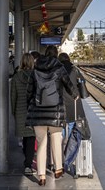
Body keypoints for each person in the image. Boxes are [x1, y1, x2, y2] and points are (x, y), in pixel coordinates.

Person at [26, 45, 78, 186]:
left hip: (38, 112)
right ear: (56, 55)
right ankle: (58, 169)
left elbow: (29, 90)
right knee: (56, 140)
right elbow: (68, 83)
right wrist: (75, 95)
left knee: (41, 143)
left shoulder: (35, 69)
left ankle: (41, 176)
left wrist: (28, 106)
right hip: (55, 111)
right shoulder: (59, 67)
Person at [10, 53, 36, 175]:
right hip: (33, 111)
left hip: (20, 111)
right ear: (32, 62)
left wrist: (14, 112)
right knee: (31, 138)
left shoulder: (16, 77)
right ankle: (28, 164)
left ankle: (27, 160)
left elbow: (13, 97)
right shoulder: (35, 76)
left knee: (25, 137)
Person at [58, 52, 86, 138]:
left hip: (60, 98)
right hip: (73, 98)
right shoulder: (74, 69)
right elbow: (83, 81)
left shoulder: (57, 69)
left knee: (61, 122)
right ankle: (70, 143)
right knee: (71, 121)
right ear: (68, 59)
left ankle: (61, 141)